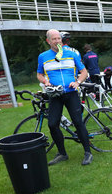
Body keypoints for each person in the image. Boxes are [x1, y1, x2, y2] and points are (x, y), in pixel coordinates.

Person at [37, 29, 93, 166]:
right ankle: (62, 153)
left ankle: (88, 152)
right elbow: (39, 74)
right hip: (55, 94)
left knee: (78, 122)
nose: (57, 41)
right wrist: (45, 82)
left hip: (71, 93)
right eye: (54, 39)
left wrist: (77, 82)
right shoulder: (43, 56)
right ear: (48, 41)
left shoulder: (71, 54)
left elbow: (84, 72)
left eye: (59, 39)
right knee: (52, 124)